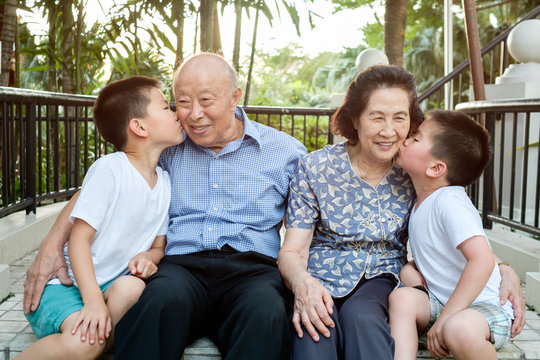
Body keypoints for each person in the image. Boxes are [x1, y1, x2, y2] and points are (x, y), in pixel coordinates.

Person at [23, 53, 307, 360]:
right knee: (156, 302)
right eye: (182, 102)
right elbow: (95, 190)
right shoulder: (168, 146)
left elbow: (310, 217)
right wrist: (51, 244)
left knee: (265, 313)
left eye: (206, 100)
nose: (194, 114)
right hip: (182, 267)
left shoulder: (285, 152)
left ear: (235, 97)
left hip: (252, 270)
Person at [277, 65, 525, 360]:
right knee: (314, 336)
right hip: (318, 276)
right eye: (376, 117)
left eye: (400, 118)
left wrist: (506, 270)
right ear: (355, 117)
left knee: (362, 320)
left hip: (382, 279)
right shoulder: (315, 168)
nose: (389, 131)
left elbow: (462, 239)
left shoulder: (416, 170)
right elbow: (293, 250)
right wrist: (303, 284)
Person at [17, 76, 184, 360]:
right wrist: (93, 301)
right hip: (67, 287)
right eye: (166, 108)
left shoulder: (165, 182)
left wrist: (148, 258)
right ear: (139, 126)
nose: (177, 112)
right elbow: (79, 241)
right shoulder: (109, 170)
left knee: (133, 286)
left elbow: (158, 246)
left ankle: (94, 341)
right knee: (87, 345)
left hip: (111, 287)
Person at [389, 110, 514, 360]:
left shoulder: (450, 201)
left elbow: (482, 259)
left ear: (436, 168)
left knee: (458, 329)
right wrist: (410, 269)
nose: (405, 139)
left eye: (416, 138)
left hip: (483, 307)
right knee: (402, 298)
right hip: (442, 302)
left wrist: (446, 317)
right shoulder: (421, 200)